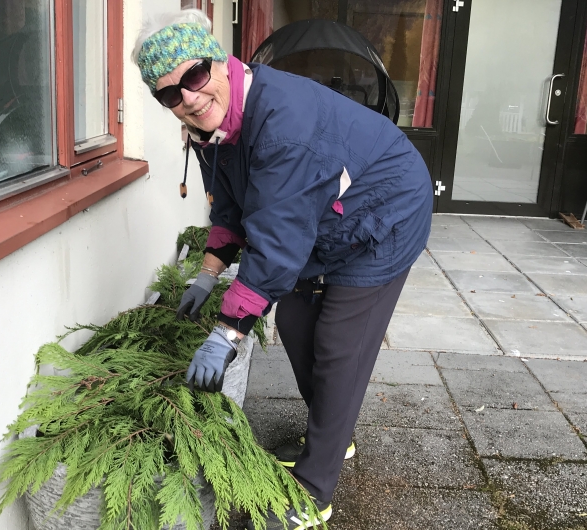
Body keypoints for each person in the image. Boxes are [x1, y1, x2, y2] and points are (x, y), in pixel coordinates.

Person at [134, 10, 432, 529]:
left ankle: (314, 492)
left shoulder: (282, 127)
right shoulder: (211, 129)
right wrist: (207, 273)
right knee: (295, 326)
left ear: (220, 64)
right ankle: (333, 434)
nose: (189, 98)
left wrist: (227, 333)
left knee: (339, 344)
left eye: (195, 76)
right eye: (169, 94)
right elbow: (230, 205)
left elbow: (276, 244)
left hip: (385, 212)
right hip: (322, 216)